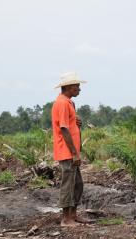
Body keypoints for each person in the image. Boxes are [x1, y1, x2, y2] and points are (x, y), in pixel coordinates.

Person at [51, 72, 92, 227]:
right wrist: (74, 153)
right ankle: (66, 219)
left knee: (77, 184)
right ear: (68, 87)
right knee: (68, 184)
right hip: (67, 152)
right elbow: (63, 129)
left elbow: (68, 123)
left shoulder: (68, 103)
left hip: (72, 152)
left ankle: (73, 215)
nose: (79, 89)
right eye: (77, 86)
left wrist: (76, 122)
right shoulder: (61, 103)